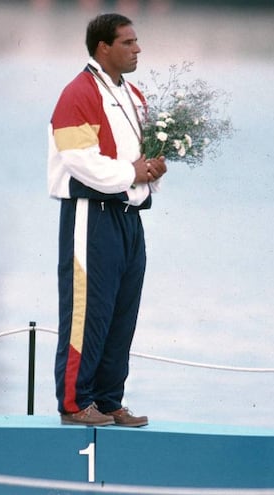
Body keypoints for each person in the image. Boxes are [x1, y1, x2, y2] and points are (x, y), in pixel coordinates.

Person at [47, 13, 167, 427]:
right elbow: (78, 160)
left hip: (130, 217)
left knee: (122, 311)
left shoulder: (134, 95)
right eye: (128, 42)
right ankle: (75, 403)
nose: (137, 49)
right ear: (104, 47)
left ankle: (108, 399)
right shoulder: (77, 92)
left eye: (137, 41)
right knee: (89, 311)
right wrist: (132, 172)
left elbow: (139, 158)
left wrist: (153, 170)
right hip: (90, 214)